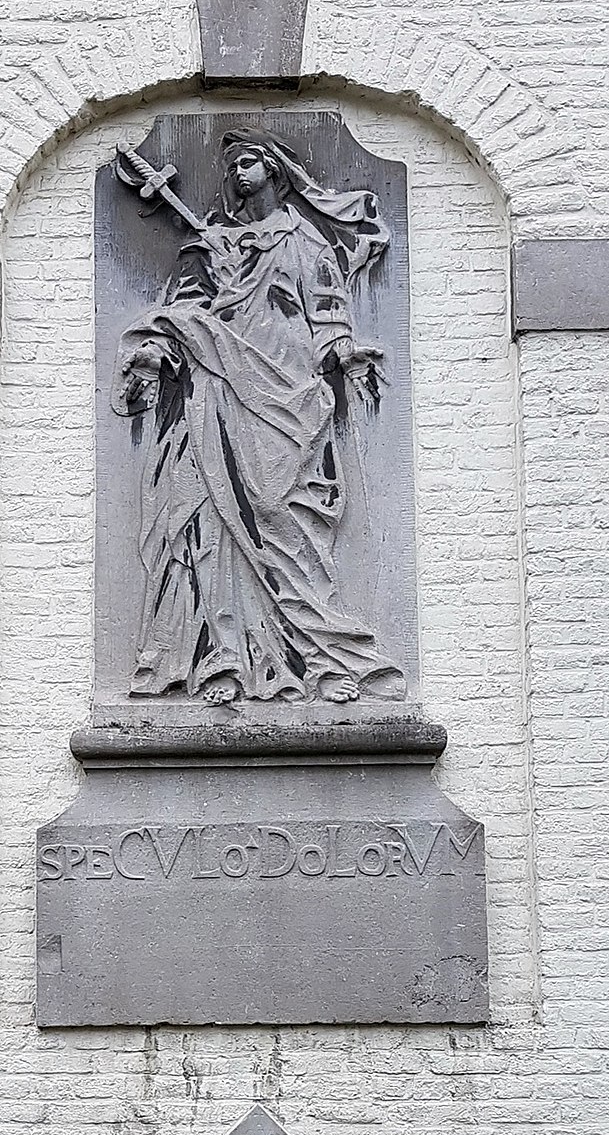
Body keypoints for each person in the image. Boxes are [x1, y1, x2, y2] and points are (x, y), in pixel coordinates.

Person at [112, 126, 406, 706]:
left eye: (249, 162)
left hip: (287, 394)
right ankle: (222, 660)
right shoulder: (212, 244)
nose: (238, 174)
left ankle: (325, 656)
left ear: (274, 169)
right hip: (220, 391)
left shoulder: (308, 245)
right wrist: (159, 348)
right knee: (213, 526)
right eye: (233, 167)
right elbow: (186, 311)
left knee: (288, 523)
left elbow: (328, 315)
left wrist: (346, 353)